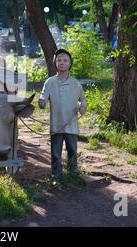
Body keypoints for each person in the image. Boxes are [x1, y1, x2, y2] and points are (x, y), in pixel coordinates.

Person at [38, 49, 87, 187]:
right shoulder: (50, 82)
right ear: (55, 63)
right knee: (56, 152)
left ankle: (73, 173)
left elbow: (83, 100)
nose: (62, 63)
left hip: (71, 124)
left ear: (70, 63)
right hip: (56, 124)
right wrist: (41, 102)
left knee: (72, 150)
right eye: (59, 60)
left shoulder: (76, 83)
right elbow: (43, 96)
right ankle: (56, 175)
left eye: (65, 60)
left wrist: (83, 107)